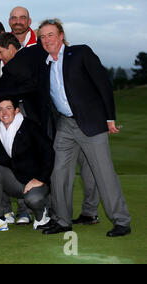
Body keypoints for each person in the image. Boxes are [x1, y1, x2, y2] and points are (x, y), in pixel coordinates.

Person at [37, 19, 131, 237]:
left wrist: (110, 118)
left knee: (103, 173)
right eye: (42, 36)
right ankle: (62, 220)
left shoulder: (79, 53)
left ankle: (121, 221)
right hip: (65, 124)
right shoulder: (45, 65)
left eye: (50, 34)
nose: (47, 40)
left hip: (91, 122)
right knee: (59, 172)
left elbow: (103, 83)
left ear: (61, 35)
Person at [0, 98, 53, 232]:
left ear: (16, 110)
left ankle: (41, 216)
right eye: (0, 109)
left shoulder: (31, 126)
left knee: (34, 200)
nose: (4, 112)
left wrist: (41, 178)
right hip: (17, 181)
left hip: (36, 182)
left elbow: (49, 153)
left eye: (8, 108)